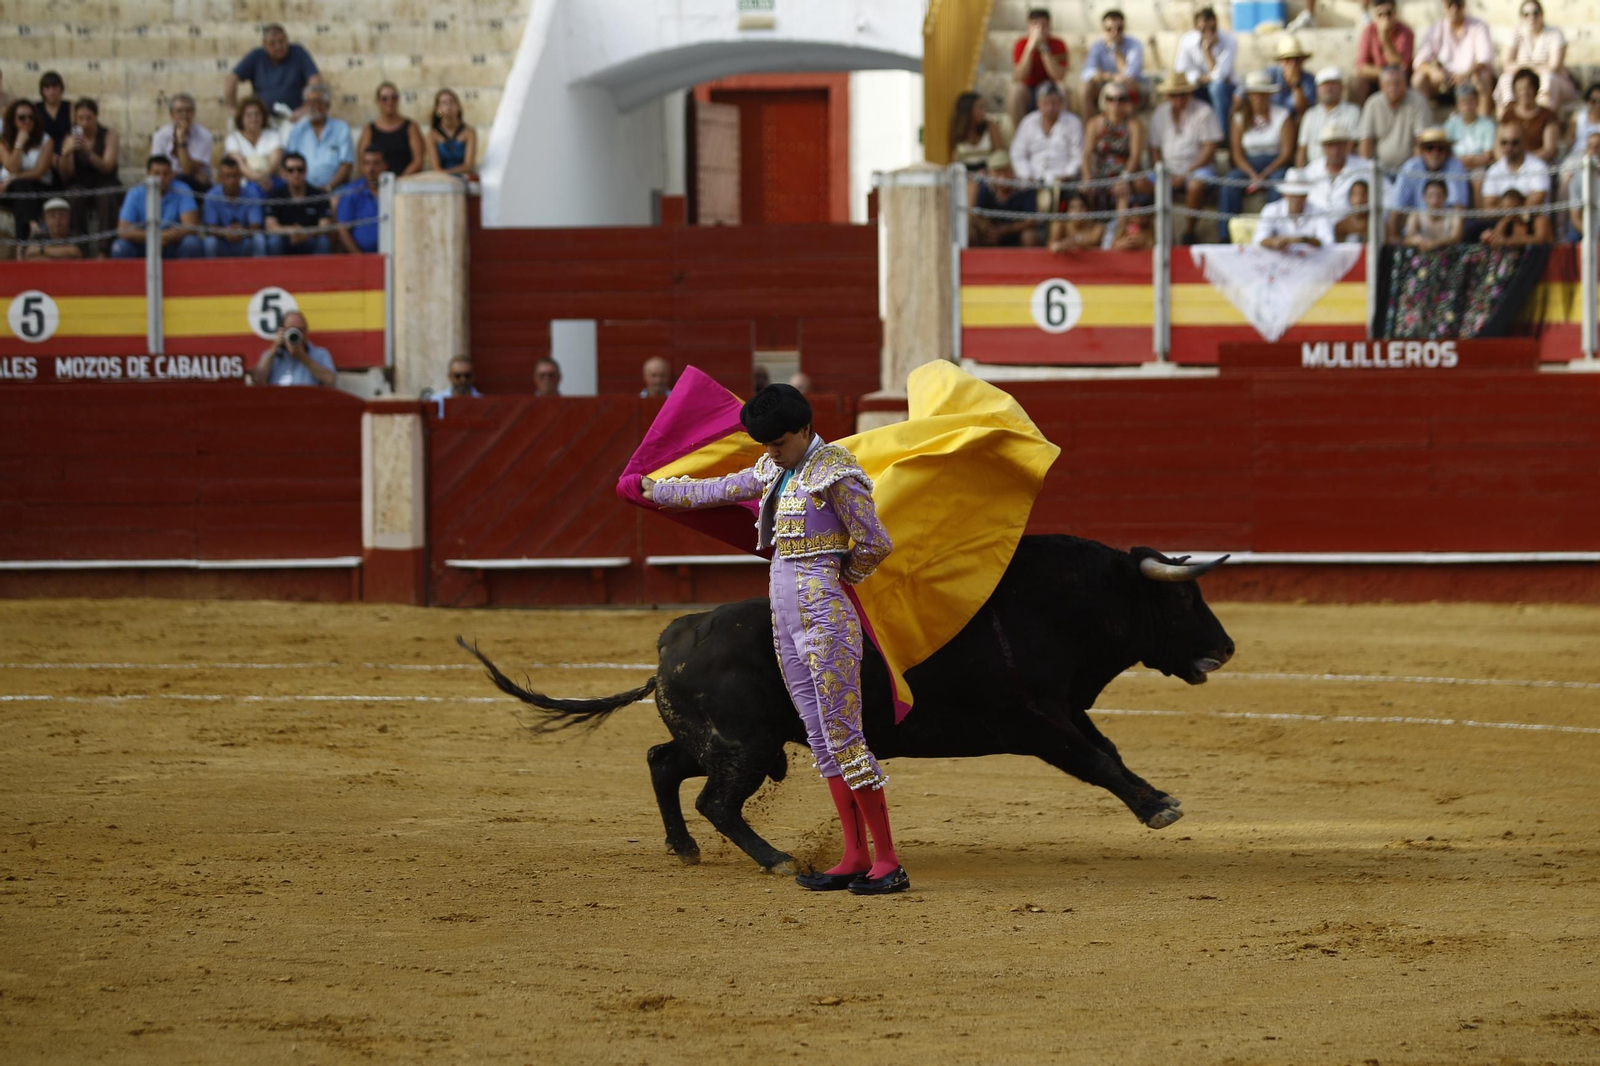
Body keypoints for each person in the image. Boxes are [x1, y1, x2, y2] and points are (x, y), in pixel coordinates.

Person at [641, 385, 905, 895]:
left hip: (825, 618)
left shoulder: (837, 472)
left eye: (779, 442)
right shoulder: (773, 469)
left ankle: (887, 862)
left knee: (845, 736)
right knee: (821, 739)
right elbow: (717, 488)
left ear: (806, 429)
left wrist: (837, 576)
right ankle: (854, 857)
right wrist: (659, 490)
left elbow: (875, 542)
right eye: (765, 444)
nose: (770, 451)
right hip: (785, 617)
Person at [1148, 71, 1222, 244]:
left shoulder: (1204, 111)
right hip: (1169, 170)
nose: (1178, 99)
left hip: (1197, 168)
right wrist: (1164, 171)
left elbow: (1209, 148)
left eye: (1182, 94)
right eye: (1174, 95)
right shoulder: (1160, 113)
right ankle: (1149, 232)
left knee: (1196, 184)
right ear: (1167, 96)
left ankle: (1189, 232)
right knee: (1139, 184)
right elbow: (1154, 149)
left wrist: (1187, 173)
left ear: (1189, 94)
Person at [1221, 73, 1297, 227]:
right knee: (1230, 183)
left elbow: (1286, 153)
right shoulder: (1239, 118)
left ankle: (1273, 228)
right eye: (1255, 94)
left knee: (1278, 182)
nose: (1259, 98)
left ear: (1269, 96)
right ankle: (1225, 233)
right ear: (1249, 96)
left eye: (1263, 94)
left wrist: (1266, 173)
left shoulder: (1282, 115)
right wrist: (1252, 174)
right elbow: (1237, 153)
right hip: (1249, 164)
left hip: (1276, 163)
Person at [56, 98, 120, 249]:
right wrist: (66, 153)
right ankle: (79, 248)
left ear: (96, 118)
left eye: (88, 118)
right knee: (74, 195)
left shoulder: (109, 135)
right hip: (80, 182)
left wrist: (89, 153)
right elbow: (66, 174)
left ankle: (104, 250)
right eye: (80, 119)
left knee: (106, 196)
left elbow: (108, 167)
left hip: (105, 181)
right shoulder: (71, 138)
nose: (84, 123)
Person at [110, 155, 202, 259]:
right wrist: (157, 236)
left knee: (191, 243)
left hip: (172, 243)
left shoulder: (182, 189)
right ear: (149, 174)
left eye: (165, 174)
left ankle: (186, 275)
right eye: (157, 173)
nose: (161, 178)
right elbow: (123, 231)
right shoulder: (135, 193)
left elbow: (191, 226)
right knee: (120, 246)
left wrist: (169, 235)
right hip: (143, 244)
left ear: (172, 174)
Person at [1492, 0, 1575, 113]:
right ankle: (1509, 117)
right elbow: (1506, 63)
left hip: (1553, 80)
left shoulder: (1554, 33)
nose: (1531, 17)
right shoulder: (1515, 33)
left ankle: (1542, 118)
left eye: (1535, 13)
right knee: (1505, 79)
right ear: (1521, 17)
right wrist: (1533, 68)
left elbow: (1554, 66)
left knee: (1547, 78)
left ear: (1542, 14)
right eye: (1526, 14)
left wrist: (1526, 68)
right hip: (1523, 77)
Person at [225, 24, 321, 120]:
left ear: (287, 39)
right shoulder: (257, 56)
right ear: (265, 44)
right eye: (272, 43)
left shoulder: (298, 52)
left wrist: (306, 107)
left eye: (281, 41)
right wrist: (232, 108)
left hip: (294, 116)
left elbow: (315, 81)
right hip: (262, 119)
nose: (278, 46)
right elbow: (232, 79)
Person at [1388, 127, 1468, 242]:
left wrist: (1443, 240)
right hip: (1416, 231)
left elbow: (1458, 208)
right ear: (1422, 151)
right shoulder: (1410, 167)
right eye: (1430, 148)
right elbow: (1397, 208)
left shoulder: (1455, 166)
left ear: (1447, 152)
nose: (1435, 153)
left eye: (1440, 149)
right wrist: (1394, 241)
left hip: (1446, 233)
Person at [1412, 0, 1495, 106]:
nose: (1454, 9)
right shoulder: (1436, 28)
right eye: (1449, 4)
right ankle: (1423, 118)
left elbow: (1485, 59)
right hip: (1444, 82)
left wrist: (1466, 74)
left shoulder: (1478, 26)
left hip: (1470, 78)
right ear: (1443, 6)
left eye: (1458, 4)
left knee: (1483, 76)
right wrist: (1432, 71)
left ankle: (1484, 119)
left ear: (1464, 5)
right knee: (1418, 79)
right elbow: (1419, 61)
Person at [0, 98, 58, 250]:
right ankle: (32, 226)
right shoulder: (4, 141)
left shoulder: (46, 140)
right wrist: (19, 143)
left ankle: (21, 245)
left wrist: (14, 178)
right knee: (20, 189)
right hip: (10, 191)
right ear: (13, 120)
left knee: (21, 188)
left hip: (39, 188)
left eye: (31, 118)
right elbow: (12, 166)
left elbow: (39, 172)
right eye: (22, 118)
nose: (27, 121)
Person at [1082, 82, 1147, 212]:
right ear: (1104, 101)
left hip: (1124, 174)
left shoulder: (1134, 125)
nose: (1115, 103)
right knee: (1084, 193)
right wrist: (1086, 176)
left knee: (1122, 192)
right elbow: (1086, 154)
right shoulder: (1094, 124)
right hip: (1099, 174)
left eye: (1120, 99)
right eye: (1110, 99)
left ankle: (1117, 231)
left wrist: (1124, 178)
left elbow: (1135, 156)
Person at [1358, 65, 1432, 172]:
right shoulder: (1372, 103)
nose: (1393, 88)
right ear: (1381, 85)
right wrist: (1366, 170)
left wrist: (1416, 170)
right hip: (1380, 168)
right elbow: (1366, 141)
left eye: (1397, 83)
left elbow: (1420, 141)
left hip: (1409, 168)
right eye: (1388, 84)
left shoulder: (1418, 101)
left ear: (1405, 84)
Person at [1010, 82, 1083, 187]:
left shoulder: (1073, 123)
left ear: (1061, 103)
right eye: (1045, 103)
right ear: (1038, 104)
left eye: (1054, 103)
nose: (1050, 108)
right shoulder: (1027, 123)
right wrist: (1027, 175)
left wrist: (1067, 175)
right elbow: (1017, 154)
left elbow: (1078, 155)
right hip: (1032, 181)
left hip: (1064, 181)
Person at [1008, 7, 1069, 131]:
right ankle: (1020, 134)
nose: (1039, 30)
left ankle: (1061, 133)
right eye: (1035, 25)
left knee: (1063, 88)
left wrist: (1044, 49)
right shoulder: (1021, 44)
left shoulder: (1058, 44)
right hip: (1029, 90)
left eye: (1043, 25)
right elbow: (1019, 76)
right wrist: (1030, 47)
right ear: (1028, 27)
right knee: (1016, 90)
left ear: (1049, 27)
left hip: (1051, 88)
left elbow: (1058, 76)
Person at [1174, 7, 1236, 128]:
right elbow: (1180, 70)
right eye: (1204, 29)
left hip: (1223, 88)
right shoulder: (1187, 40)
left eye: (1212, 29)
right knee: (1184, 90)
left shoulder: (1229, 41)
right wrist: (1200, 77)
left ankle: (1221, 134)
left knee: (1217, 88)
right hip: (1198, 86)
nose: (1208, 32)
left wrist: (1207, 52)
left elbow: (1221, 77)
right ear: (1197, 28)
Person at [1305, 122, 1376, 227]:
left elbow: (1387, 196)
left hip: (1352, 233)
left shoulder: (1366, 167)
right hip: (1315, 231)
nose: (1335, 150)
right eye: (1330, 145)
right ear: (1323, 147)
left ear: (1347, 145)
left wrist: (1367, 220)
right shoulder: (1311, 170)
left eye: (1339, 145)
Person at [284, 85, 353, 191]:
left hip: (334, 189)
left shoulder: (341, 128)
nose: (312, 106)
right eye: (308, 102)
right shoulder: (297, 130)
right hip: (303, 191)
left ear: (327, 105)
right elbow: (290, 161)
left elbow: (346, 164)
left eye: (316, 102)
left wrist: (328, 187)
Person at [1081, 10, 1145, 121]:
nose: (1114, 33)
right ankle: (1089, 130)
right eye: (1109, 29)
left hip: (1127, 87)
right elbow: (1087, 73)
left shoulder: (1134, 45)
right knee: (1084, 88)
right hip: (1104, 84)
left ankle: (1129, 130)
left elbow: (1129, 75)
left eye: (1119, 29)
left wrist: (1115, 50)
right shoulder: (1097, 46)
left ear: (1124, 28)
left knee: (1128, 86)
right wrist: (1110, 76)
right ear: (1103, 29)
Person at [264, 151, 332, 255]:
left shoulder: (319, 195)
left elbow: (325, 227)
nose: (296, 174)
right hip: (286, 239)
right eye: (291, 170)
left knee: (324, 242)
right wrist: (292, 231)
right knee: (274, 242)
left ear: (306, 171)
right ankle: (276, 271)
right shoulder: (275, 195)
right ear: (284, 173)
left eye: (300, 170)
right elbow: (271, 227)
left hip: (310, 239)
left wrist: (305, 233)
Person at [969, 151, 1039, 247]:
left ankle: (1030, 262)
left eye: (1006, 171)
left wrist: (1005, 230)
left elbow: (1031, 221)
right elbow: (977, 216)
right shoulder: (985, 187)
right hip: (991, 234)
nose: (1003, 177)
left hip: (1016, 234)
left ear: (1012, 170)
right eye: (997, 172)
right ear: (990, 173)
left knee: (1029, 235)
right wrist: (986, 229)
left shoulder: (1024, 187)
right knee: (972, 234)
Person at [249, 310, 337, 387]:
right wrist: (274, 347)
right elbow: (257, 380)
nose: (294, 334)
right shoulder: (271, 355)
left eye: (299, 330)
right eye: (290, 330)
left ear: (306, 332)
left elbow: (330, 381)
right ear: (282, 331)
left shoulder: (320, 354)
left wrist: (303, 357)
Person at [202, 156, 266, 257]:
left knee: (259, 239)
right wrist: (226, 232)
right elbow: (211, 228)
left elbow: (256, 226)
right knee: (210, 242)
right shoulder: (211, 196)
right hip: (222, 242)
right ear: (220, 178)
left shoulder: (251, 194)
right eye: (228, 176)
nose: (232, 180)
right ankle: (211, 272)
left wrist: (241, 231)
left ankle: (261, 271)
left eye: (235, 176)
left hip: (244, 241)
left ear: (241, 176)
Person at [1253, 170, 1333, 250]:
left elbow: (1327, 242)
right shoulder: (1271, 210)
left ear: (1306, 196)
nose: (1297, 199)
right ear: (1285, 194)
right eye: (1293, 195)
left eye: (1300, 195)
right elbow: (1258, 239)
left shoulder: (1319, 212)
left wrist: (1303, 240)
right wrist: (1273, 242)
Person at [357, 82, 424, 178]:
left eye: (394, 97)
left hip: (405, 182)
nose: (390, 102)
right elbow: (362, 162)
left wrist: (398, 180)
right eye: (384, 98)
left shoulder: (411, 127)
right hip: (377, 185)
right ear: (378, 101)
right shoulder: (369, 130)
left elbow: (418, 161)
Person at [1353, 0, 1415, 103]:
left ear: (1395, 13)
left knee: (1396, 79)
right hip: (1375, 80)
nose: (1385, 18)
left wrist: (1385, 38)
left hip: (1398, 81)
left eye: (1388, 13)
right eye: (1380, 14)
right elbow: (1361, 66)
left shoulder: (1405, 32)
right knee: (1356, 81)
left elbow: (1401, 66)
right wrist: (1384, 73)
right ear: (1374, 16)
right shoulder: (1368, 31)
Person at [1295, 67, 1359, 167]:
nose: (1329, 88)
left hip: (1343, 169)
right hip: (1313, 171)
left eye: (1333, 84)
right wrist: (1300, 171)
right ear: (1317, 89)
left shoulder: (1353, 111)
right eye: (1324, 85)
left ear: (1342, 87)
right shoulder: (1310, 115)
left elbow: (1351, 145)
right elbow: (1302, 148)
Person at [150, 93, 213, 192]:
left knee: (182, 180)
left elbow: (188, 171)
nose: (184, 115)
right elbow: (157, 166)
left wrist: (181, 142)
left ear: (193, 113)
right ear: (172, 115)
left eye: (188, 111)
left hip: (195, 185)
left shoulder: (204, 135)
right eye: (179, 111)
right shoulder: (160, 135)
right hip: (166, 181)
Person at [1481, 122, 1549, 210]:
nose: (1509, 147)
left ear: (1524, 142)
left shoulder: (1538, 167)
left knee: (1541, 223)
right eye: (1504, 143)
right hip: (1500, 219)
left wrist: (1505, 206)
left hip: (1530, 219)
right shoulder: (1494, 170)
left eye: (1514, 142)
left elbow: (1537, 201)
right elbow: (1488, 207)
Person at [1500, 67, 1559, 165]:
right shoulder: (1508, 115)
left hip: (1539, 165)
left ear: (1535, 89)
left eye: (1528, 88)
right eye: (1520, 89)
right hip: (1511, 164)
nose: (1524, 92)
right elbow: (1499, 144)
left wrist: (1525, 162)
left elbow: (1549, 149)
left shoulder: (1548, 115)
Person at [225, 98, 285, 191]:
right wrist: (259, 179)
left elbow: (275, 162)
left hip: (271, 179)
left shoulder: (272, 135)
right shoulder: (233, 139)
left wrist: (265, 176)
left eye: (257, 114)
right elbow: (241, 166)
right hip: (245, 184)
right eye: (249, 115)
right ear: (241, 118)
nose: (254, 119)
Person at [334, 147, 384, 254]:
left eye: (376, 163)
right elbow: (342, 230)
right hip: (361, 257)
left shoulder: (395, 192)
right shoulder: (352, 191)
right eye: (366, 163)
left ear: (385, 165)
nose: (371, 168)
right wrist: (360, 258)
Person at [950, 91, 1009, 171]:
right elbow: (952, 161)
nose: (983, 112)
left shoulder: (990, 125)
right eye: (979, 108)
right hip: (965, 175)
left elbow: (999, 156)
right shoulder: (957, 130)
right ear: (968, 110)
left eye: (983, 107)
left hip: (987, 173)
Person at [1444, 81, 1496, 170]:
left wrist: (1468, 161)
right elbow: (1445, 153)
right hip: (1454, 167)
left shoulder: (1488, 124)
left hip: (1479, 167)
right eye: (1463, 102)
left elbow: (1488, 156)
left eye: (1470, 101)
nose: (1467, 105)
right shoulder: (1450, 125)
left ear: (1477, 102)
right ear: (1457, 105)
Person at [426, 88, 477, 177]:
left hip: (463, 178)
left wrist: (447, 172)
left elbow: (468, 165)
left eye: (452, 102)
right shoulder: (432, 135)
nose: (449, 106)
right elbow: (435, 168)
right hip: (442, 181)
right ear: (438, 108)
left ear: (458, 106)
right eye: (444, 103)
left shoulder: (469, 133)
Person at [1402, 178, 1462, 249]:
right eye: (1430, 195)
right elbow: (1407, 239)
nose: (1435, 201)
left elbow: (1456, 238)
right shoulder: (1416, 215)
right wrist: (1415, 240)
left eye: (1439, 196)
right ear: (1424, 197)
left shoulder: (1454, 216)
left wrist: (1435, 243)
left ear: (1445, 197)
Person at [1481, 187, 1549, 246]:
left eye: (1511, 209)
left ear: (1521, 204)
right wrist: (1489, 238)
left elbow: (1540, 239)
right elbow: (1497, 239)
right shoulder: (1506, 221)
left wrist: (1508, 241)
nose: (1508, 213)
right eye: (1505, 209)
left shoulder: (1538, 219)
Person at [1269, 36, 1317, 116]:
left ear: (1302, 61)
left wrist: (1296, 84)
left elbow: (1304, 112)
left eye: (1296, 59)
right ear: (1281, 61)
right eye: (1288, 59)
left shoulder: (1309, 80)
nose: (1293, 64)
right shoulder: (1271, 74)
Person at [22, 196, 81, 260]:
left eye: (62, 215)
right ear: (45, 218)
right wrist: (61, 255)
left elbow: (75, 252)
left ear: (69, 218)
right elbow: (29, 253)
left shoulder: (75, 237)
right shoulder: (39, 237)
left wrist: (41, 250)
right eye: (52, 215)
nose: (57, 220)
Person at [36, 72, 72, 153]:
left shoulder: (70, 107)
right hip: (42, 150)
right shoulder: (36, 108)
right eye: (47, 88)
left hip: (66, 150)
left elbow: (72, 131)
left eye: (55, 87)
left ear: (61, 89)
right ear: (42, 91)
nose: (51, 92)